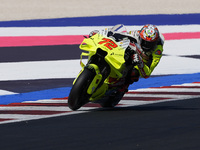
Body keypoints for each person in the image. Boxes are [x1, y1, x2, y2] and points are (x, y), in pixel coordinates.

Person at [89, 24, 164, 106]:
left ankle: (121, 88)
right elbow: (117, 34)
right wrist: (100, 33)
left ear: (155, 42)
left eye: (150, 44)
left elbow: (147, 74)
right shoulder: (136, 33)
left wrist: (140, 62)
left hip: (140, 62)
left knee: (134, 73)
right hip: (127, 52)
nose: (146, 45)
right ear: (140, 37)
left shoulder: (157, 51)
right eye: (144, 42)